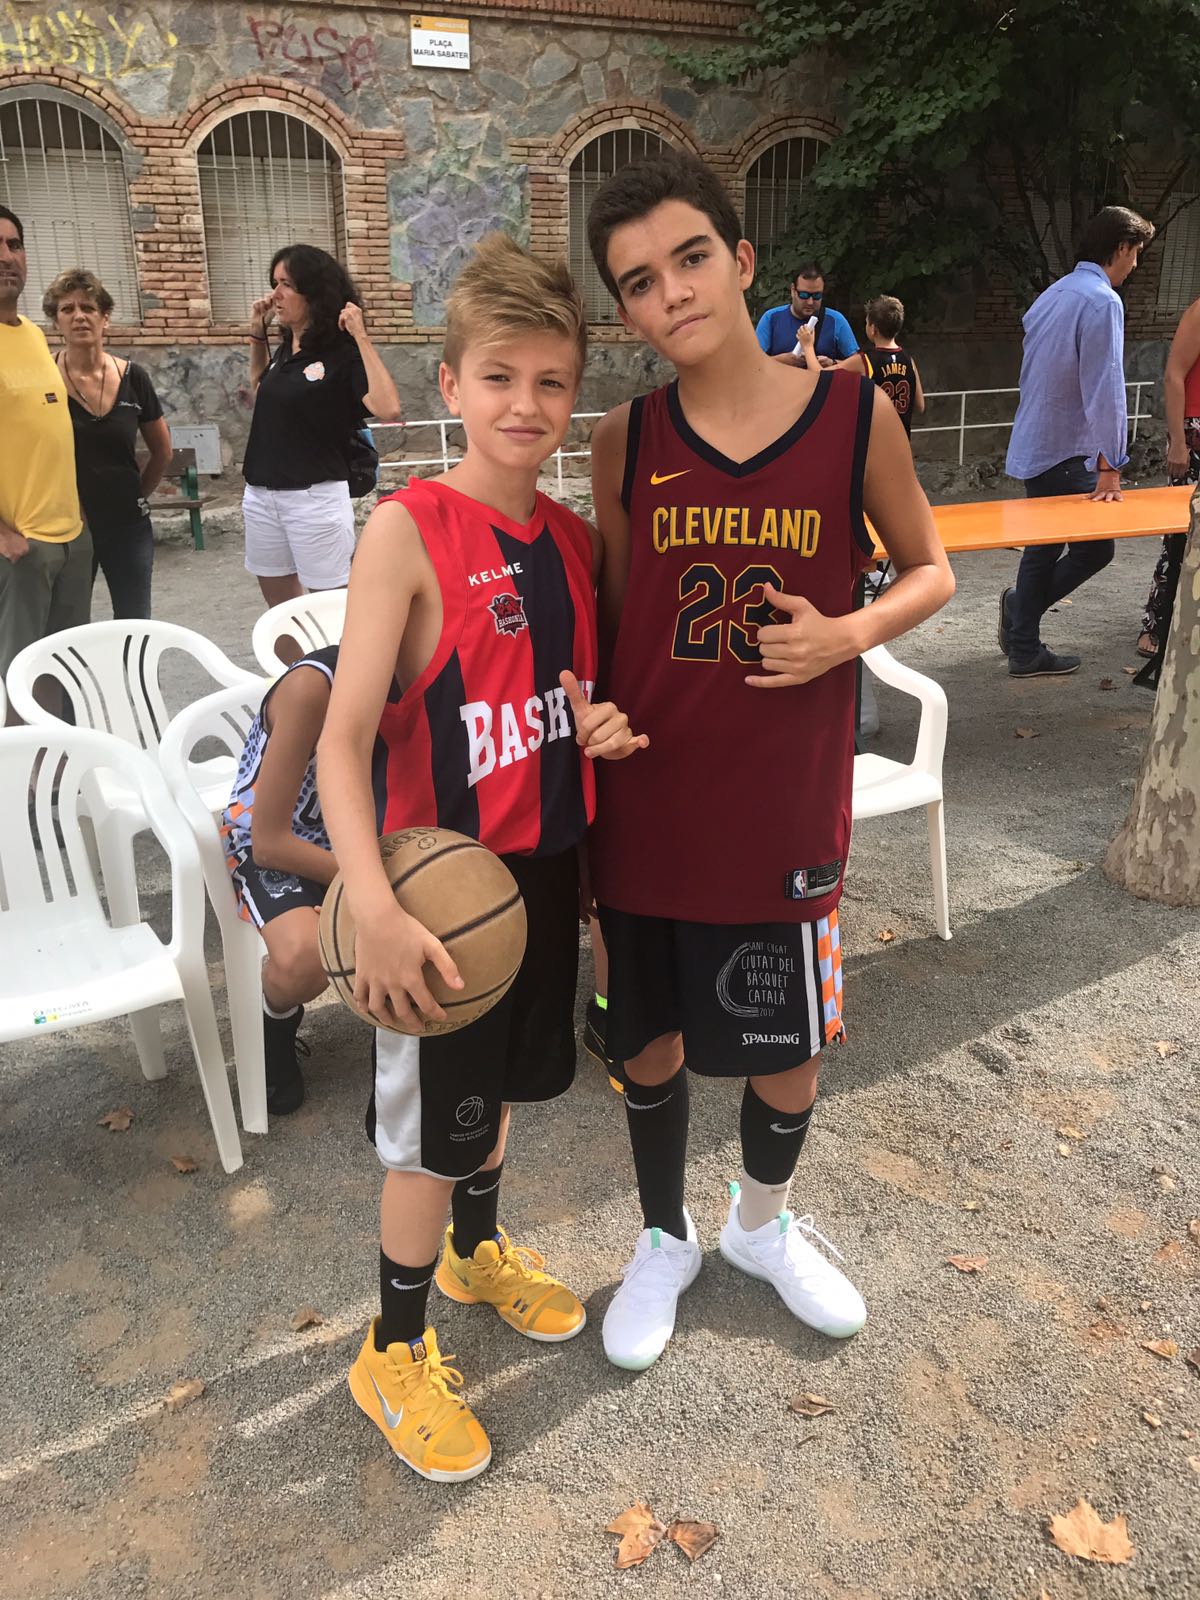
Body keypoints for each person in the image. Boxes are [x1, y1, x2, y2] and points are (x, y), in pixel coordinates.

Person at [584, 151, 954, 1372]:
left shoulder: (853, 416)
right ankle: (663, 1236)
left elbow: (930, 569)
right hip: (649, 801)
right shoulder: (624, 439)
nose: (673, 292)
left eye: (691, 258)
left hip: (781, 801)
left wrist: (848, 632)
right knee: (646, 1042)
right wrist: (590, 711)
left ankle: (758, 1225)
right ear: (627, 311)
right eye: (640, 281)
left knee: (788, 1048)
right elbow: (616, 623)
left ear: (742, 262)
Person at [316, 234, 645, 1482]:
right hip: (437, 896)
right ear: (450, 383)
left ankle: (473, 1252)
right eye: (499, 377)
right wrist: (374, 904)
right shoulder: (407, 531)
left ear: (575, 394)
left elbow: (570, 701)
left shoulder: (573, 543)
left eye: (551, 381)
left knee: (494, 1099)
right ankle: (391, 1348)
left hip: (542, 878)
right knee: (425, 1140)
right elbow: (342, 742)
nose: (525, 404)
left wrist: (600, 727)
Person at [999, 205, 1155, 678]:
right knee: (1091, 549)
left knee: (1045, 546)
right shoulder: (1102, 301)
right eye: (1136, 253)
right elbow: (1106, 386)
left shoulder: (1055, 293)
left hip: (1039, 440)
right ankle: (1022, 634)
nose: (1135, 265)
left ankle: (1022, 632)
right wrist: (1111, 463)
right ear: (1122, 247)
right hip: (1069, 448)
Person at [242, 244, 401, 612]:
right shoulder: (288, 349)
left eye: (286, 284)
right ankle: (292, 654)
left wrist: (361, 336)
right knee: (280, 609)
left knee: (330, 607)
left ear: (314, 293)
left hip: (313, 499)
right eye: (274, 283)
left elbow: (388, 407)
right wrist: (256, 333)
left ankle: (340, 655)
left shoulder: (340, 353)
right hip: (262, 497)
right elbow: (262, 390)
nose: (275, 294)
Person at [221, 645, 339, 1115]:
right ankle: (274, 1019)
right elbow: (269, 842)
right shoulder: (313, 687)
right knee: (306, 957)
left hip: (359, 837)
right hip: (274, 841)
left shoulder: (432, 674)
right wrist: (361, 883)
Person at [0, 206, 89, 716]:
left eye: (13, 244)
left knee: (61, 669)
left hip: (70, 536)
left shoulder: (33, 334)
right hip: (22, 546)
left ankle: (57, 757)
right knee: (18, 676)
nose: (6, 256)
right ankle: (21, 761)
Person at [45, 268, 172, 620]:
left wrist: (137, 496)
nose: (79, 316)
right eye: (67, 309)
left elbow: (162, 451)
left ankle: (131, 662)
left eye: (88, 307)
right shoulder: (44, 379)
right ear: (56, 321)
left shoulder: (134, 378)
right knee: (69, 623)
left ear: (105, 318)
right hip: (70, 526)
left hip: (128, 526)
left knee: (135, 620)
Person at [1136, 293, 1200, 658]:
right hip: (1194, 431)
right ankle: (1156, 625)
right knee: (1180, 533)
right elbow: (1174, 374)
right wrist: (1178, 441)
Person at [754, 261, 859, 368]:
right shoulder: (771, 318)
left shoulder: (836, 320)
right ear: (793, 290)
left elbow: (858, 366)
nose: (810, 302)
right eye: (804, 295)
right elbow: (753, 363)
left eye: (817, 296)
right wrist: (782, 360)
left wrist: (832, 363)